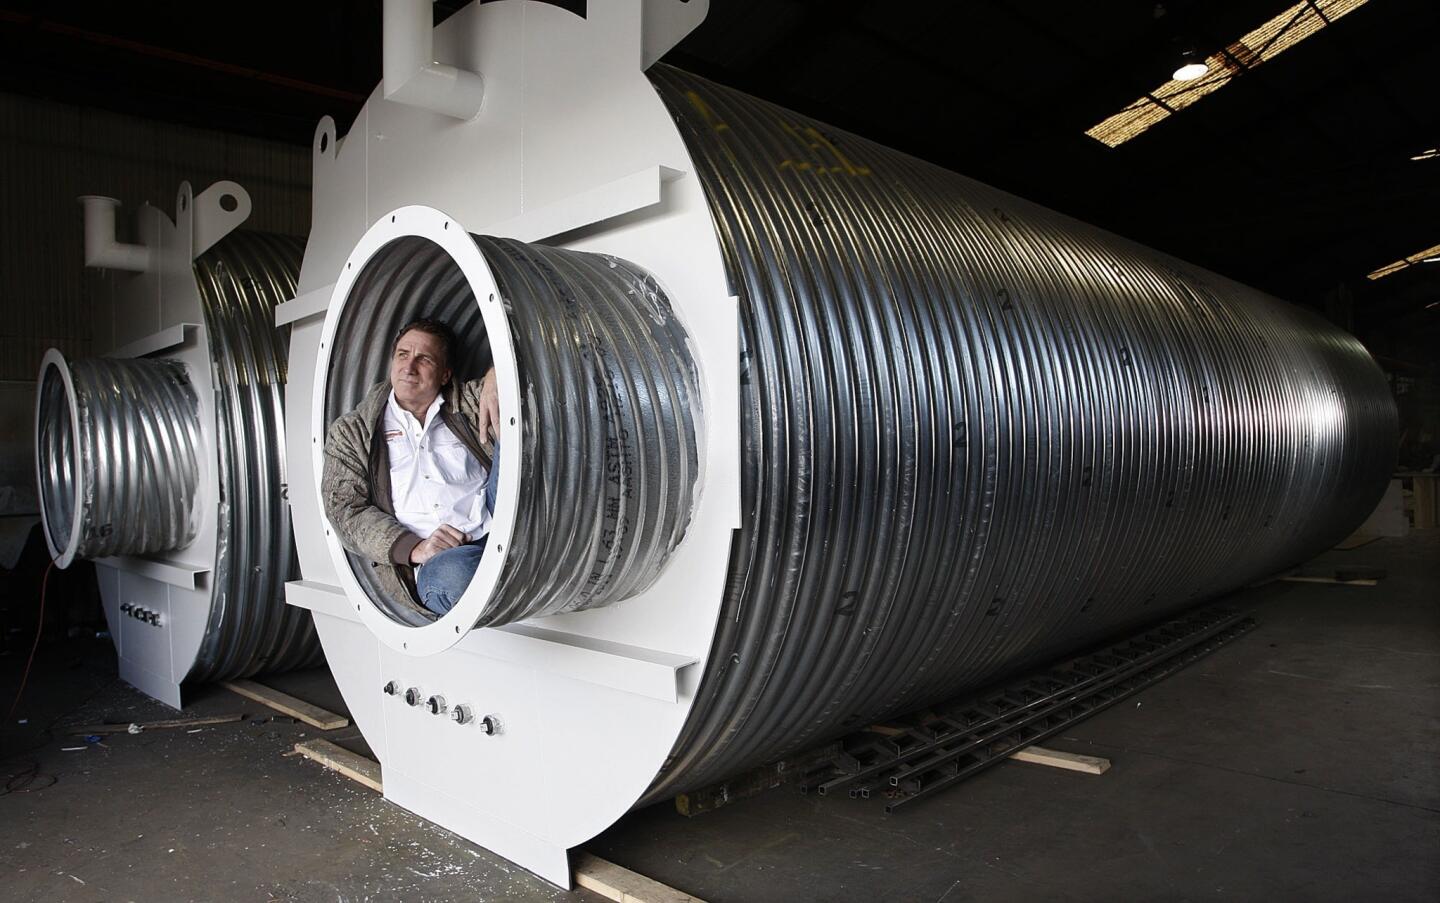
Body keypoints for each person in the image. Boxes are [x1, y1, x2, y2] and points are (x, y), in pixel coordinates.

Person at [321, 317, 500, 616]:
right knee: (457, 577)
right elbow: (344, 509)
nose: (409, 366)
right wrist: (415, 548)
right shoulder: (353, 432)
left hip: (499, 519)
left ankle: (521, 549)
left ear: (444, 375)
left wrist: (496, 378)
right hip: (443, 562)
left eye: (424, 358)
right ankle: (524, 563)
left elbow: (530, 384)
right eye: (403, 355)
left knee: (516, 419)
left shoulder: (466, 402)